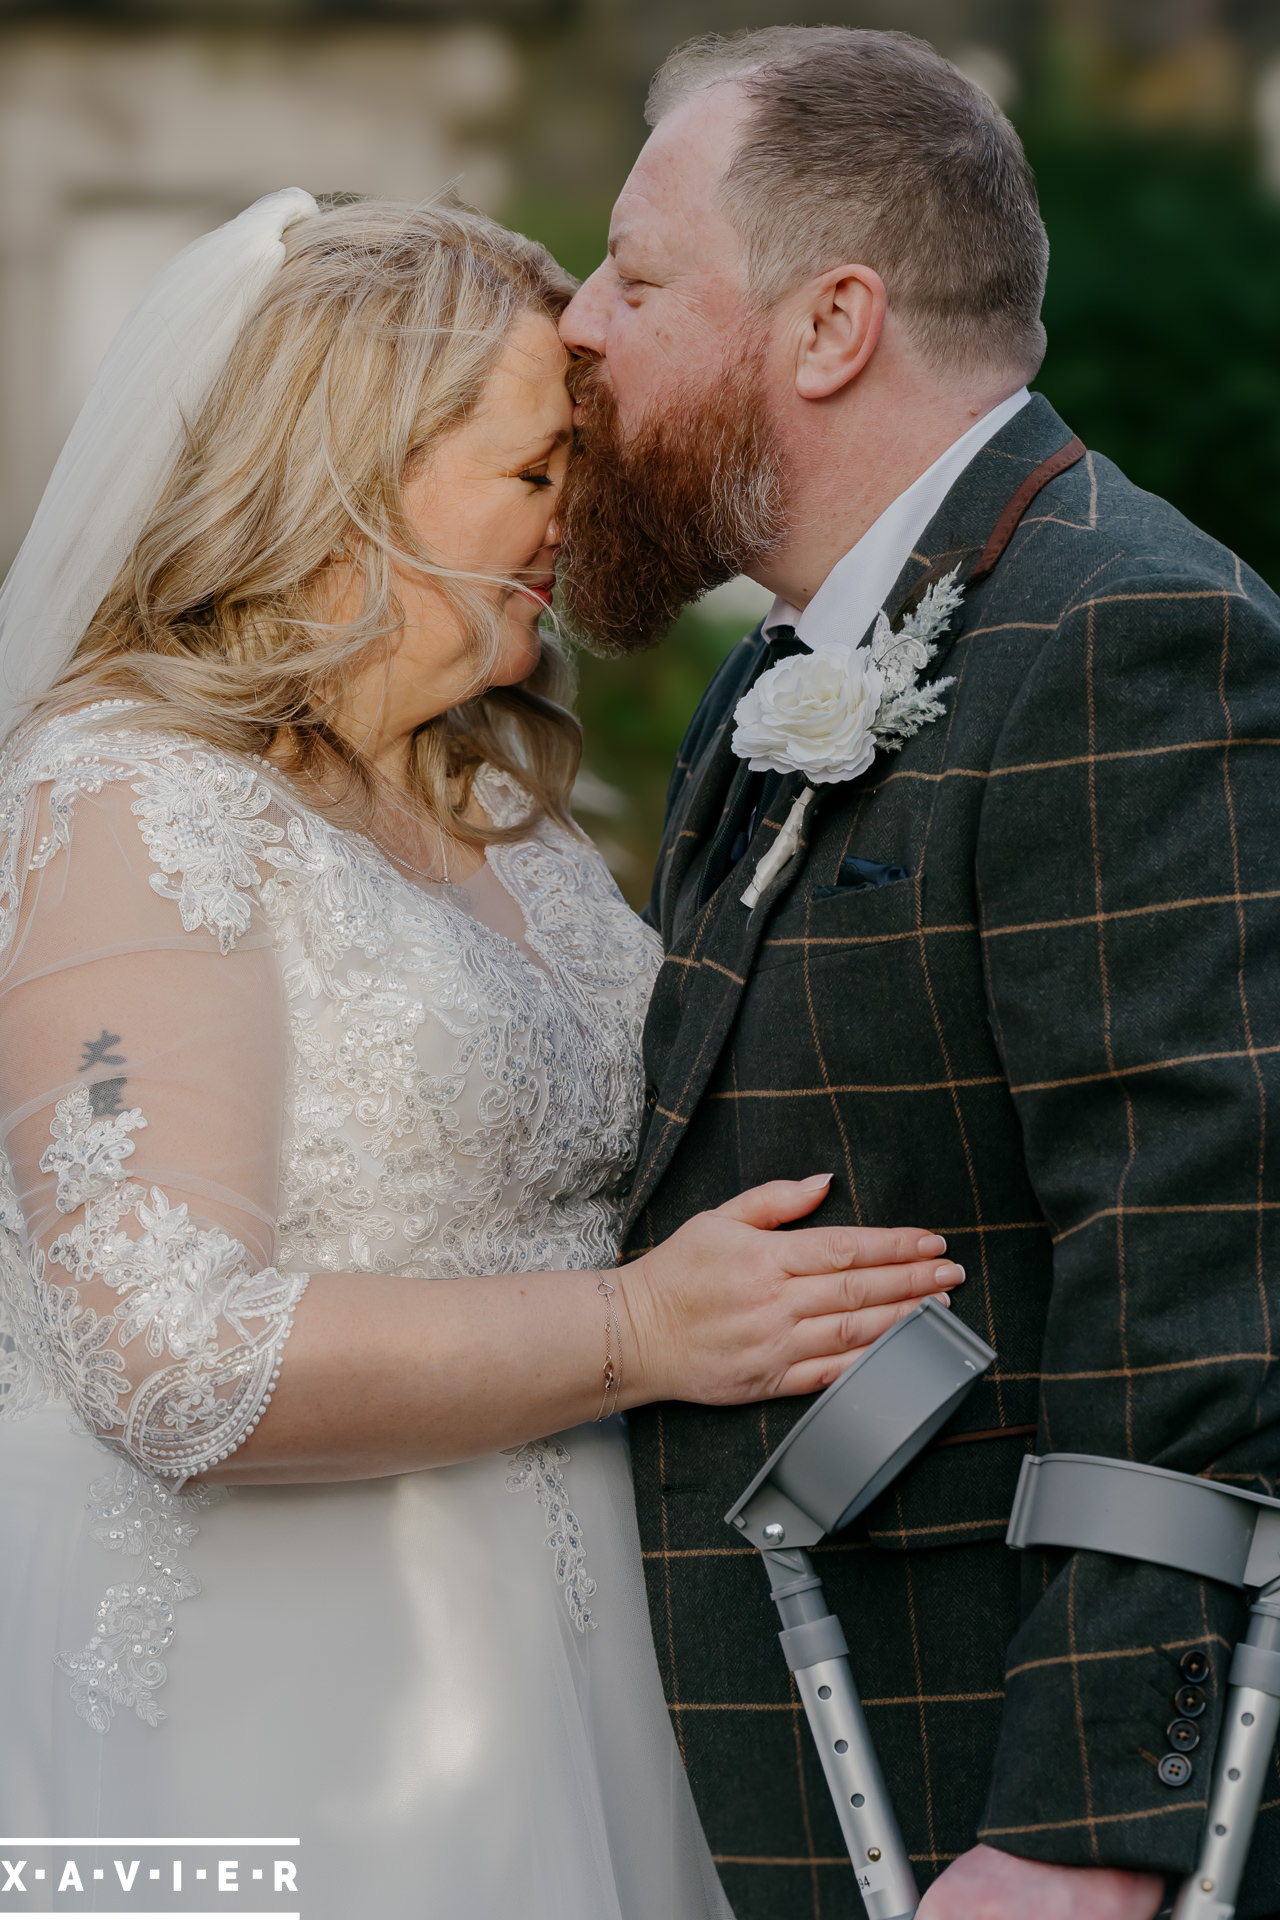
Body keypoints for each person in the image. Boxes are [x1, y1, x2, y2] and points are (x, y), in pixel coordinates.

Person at [0, 192, 964, 1917]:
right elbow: (167, 1355)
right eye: (533, 471)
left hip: (567, 1666)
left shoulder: (496, 805)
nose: (569, 519)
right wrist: (636, 1329)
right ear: (353, 472)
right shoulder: (128, 802)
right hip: (287, 1697)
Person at [557, 25, 1280, 1920]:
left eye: (636, 280)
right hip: (784, 1739)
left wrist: (1090, 1831)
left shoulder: (1134, 634)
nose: (574, 325)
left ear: (827, 326)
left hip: (975, 1788)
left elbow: (1210, 1267)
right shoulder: (781, 668)